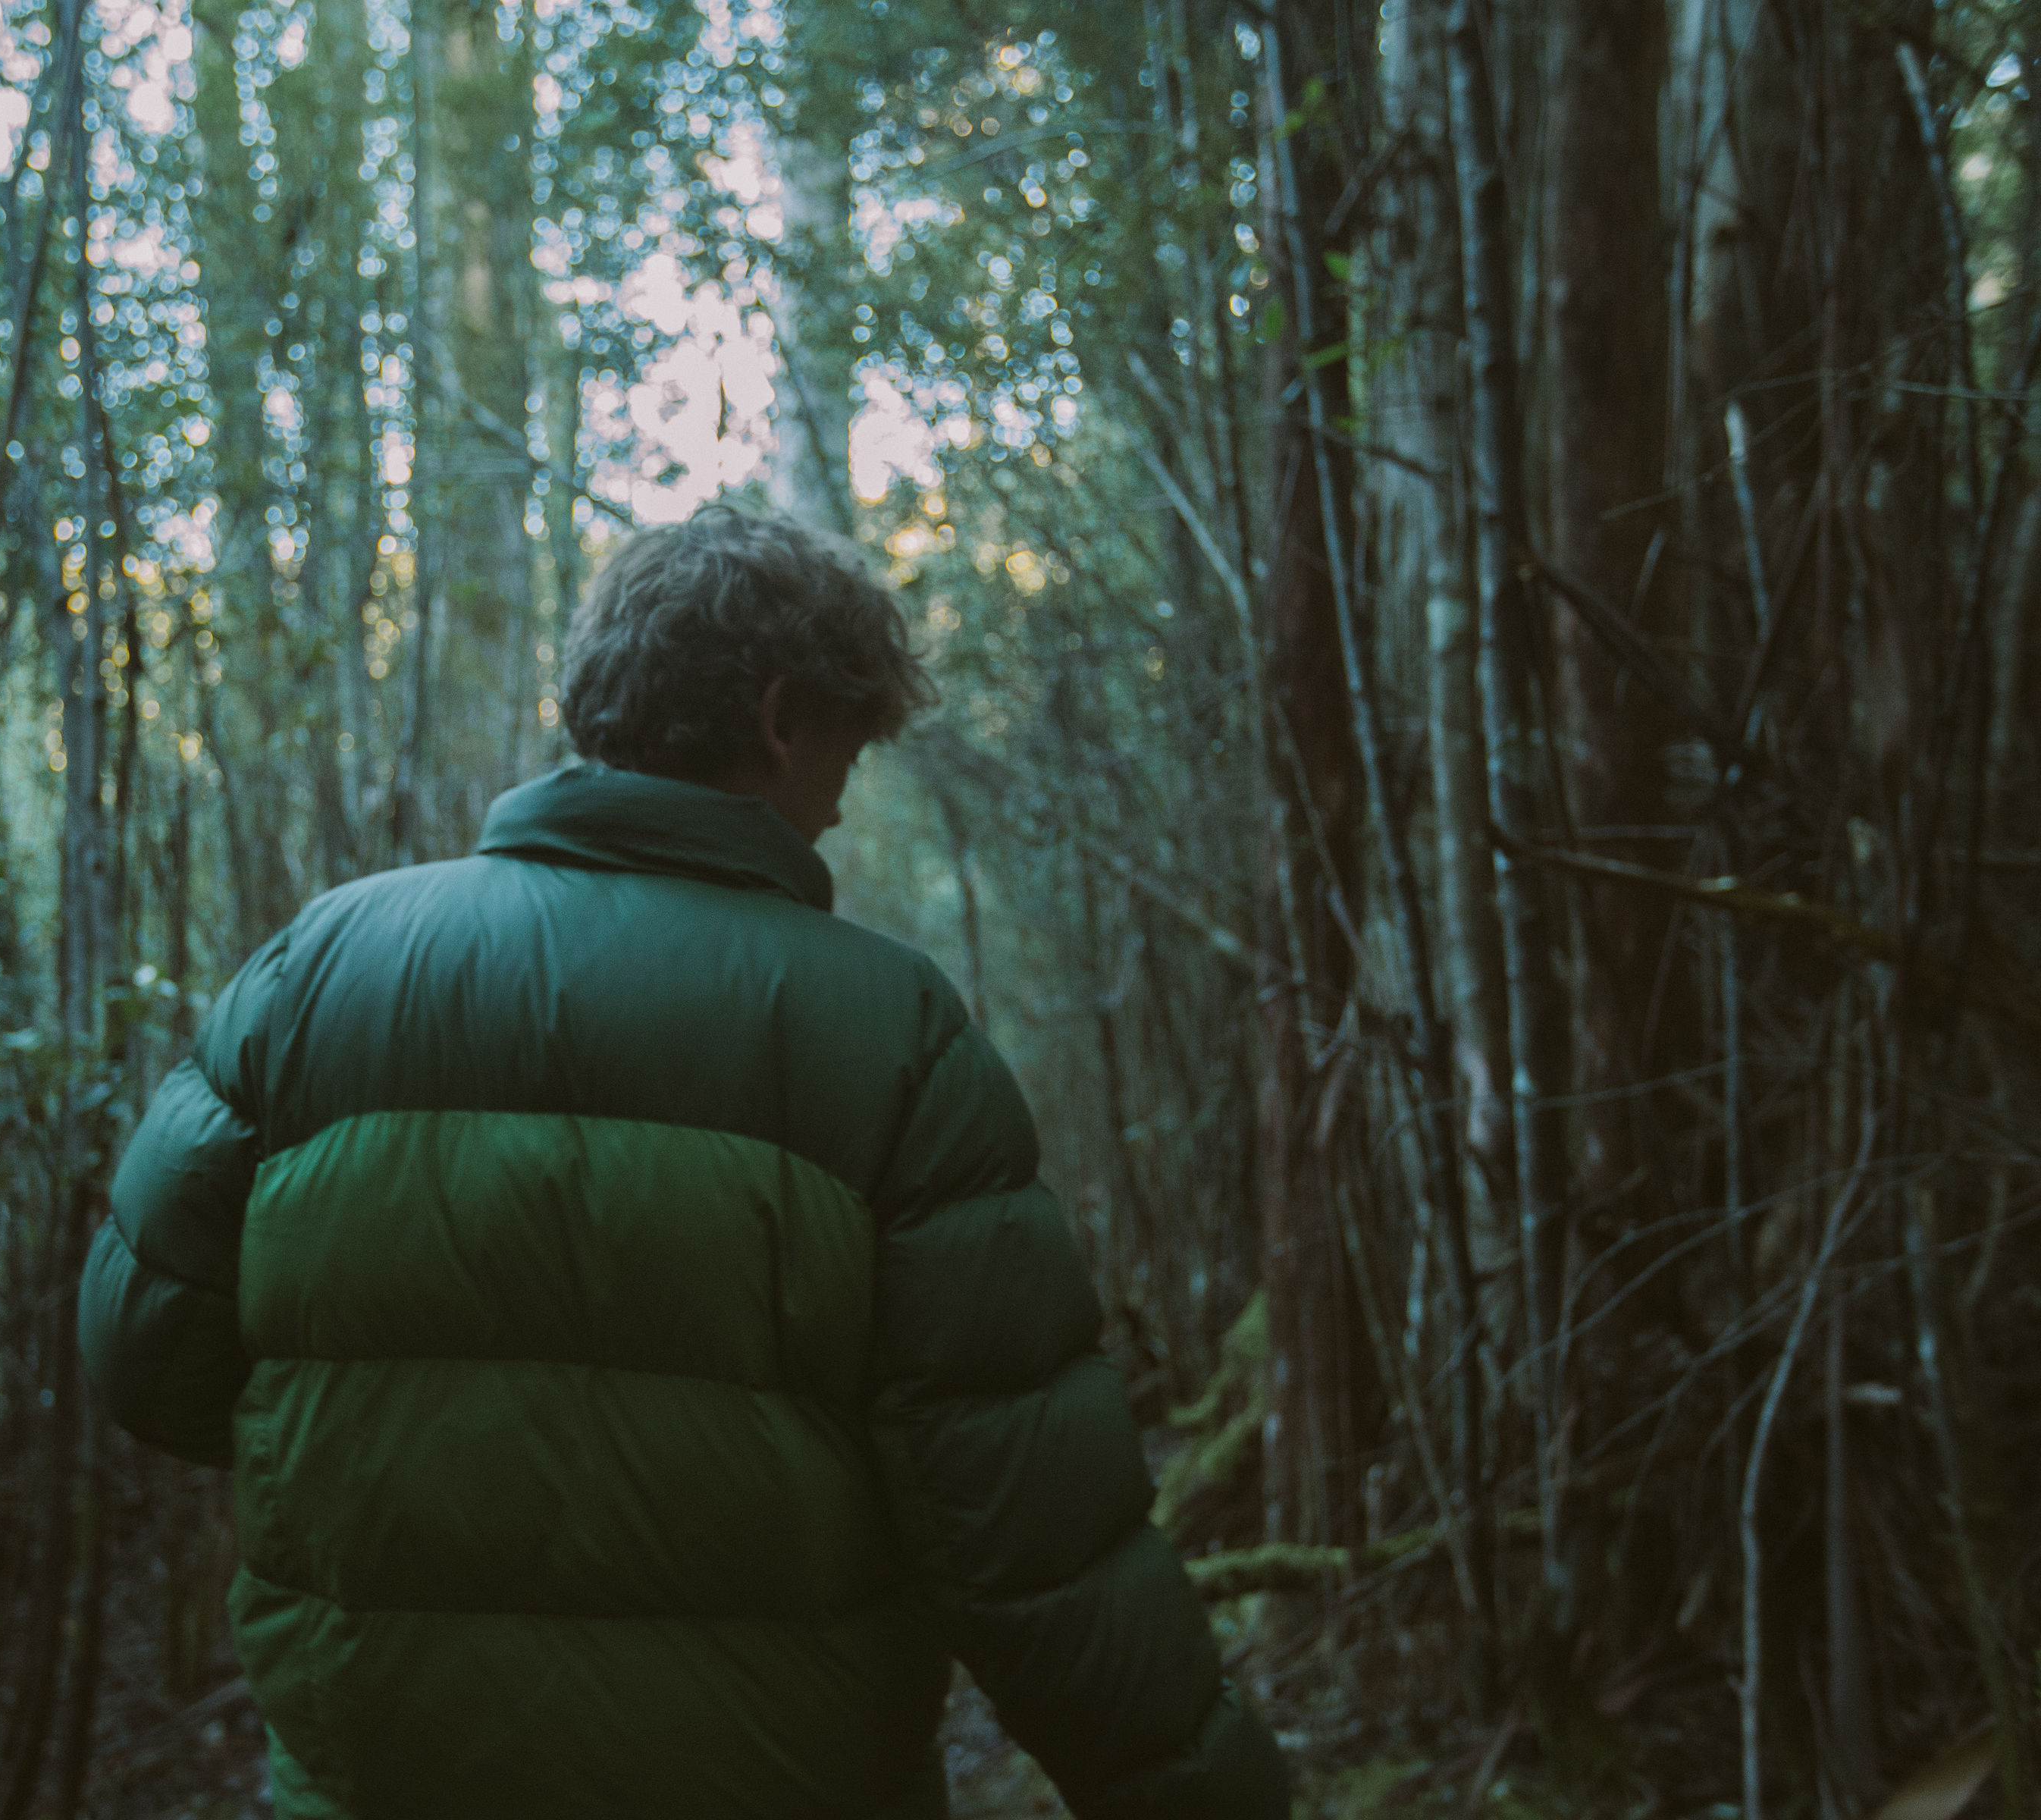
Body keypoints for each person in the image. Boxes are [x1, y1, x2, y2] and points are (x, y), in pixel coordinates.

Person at [78, 502, 1290, 1818]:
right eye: (848, 746)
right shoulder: (888, 1033)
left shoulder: (316, 970)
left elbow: (148, 1359)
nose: (837, 803)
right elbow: (1032, 1534)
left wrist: (385, 1459)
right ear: (780, 720)